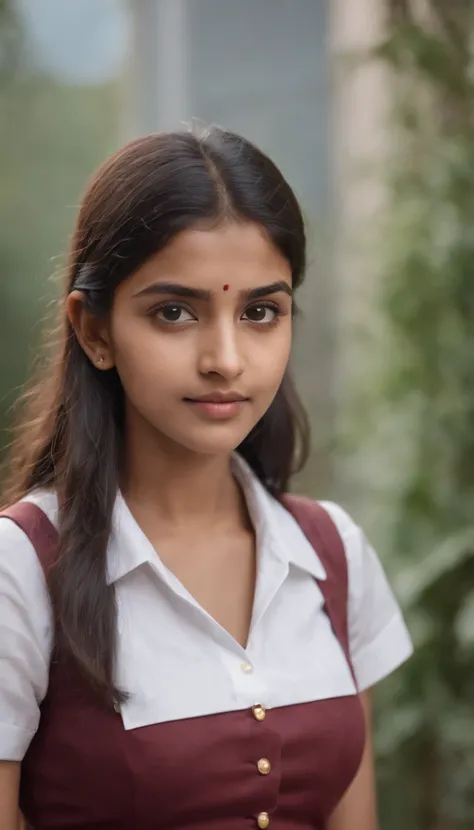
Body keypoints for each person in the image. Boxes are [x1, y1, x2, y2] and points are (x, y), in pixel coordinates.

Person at [0, 127, 412, 830]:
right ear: (93, 331)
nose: (225, 358)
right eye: (175, 312)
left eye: (260, 312)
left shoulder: (332, 557)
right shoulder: (22, 572)